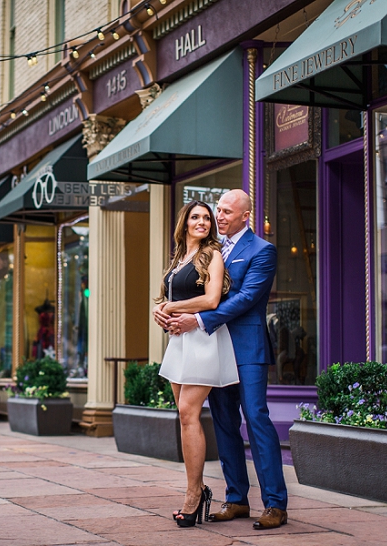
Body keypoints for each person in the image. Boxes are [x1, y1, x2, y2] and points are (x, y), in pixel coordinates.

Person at [156, 189, 289, 530]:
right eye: (218, 210)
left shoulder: (262, 250)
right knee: (224, 422)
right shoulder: (208, 250)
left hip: (246, 348)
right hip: (212, 348)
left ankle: (275, 504)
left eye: (228, 211)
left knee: (256, 420)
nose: (220, 216)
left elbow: (246, 297)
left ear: (246, 215)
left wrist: (197, 320)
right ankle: (236, 499)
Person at [152, 200, 236, 528]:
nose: (202, 221)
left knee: (189, 412)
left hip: (204, 340)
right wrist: (160, 310)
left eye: (206, 217)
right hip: (179, 342)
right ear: (184, 222)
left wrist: (172, 306)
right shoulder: (179, 259)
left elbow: (212, 299)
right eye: (195, 217)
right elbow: (167, 300)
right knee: (185, 417)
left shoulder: (212, 255)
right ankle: (197, 487)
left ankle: (192, 494)